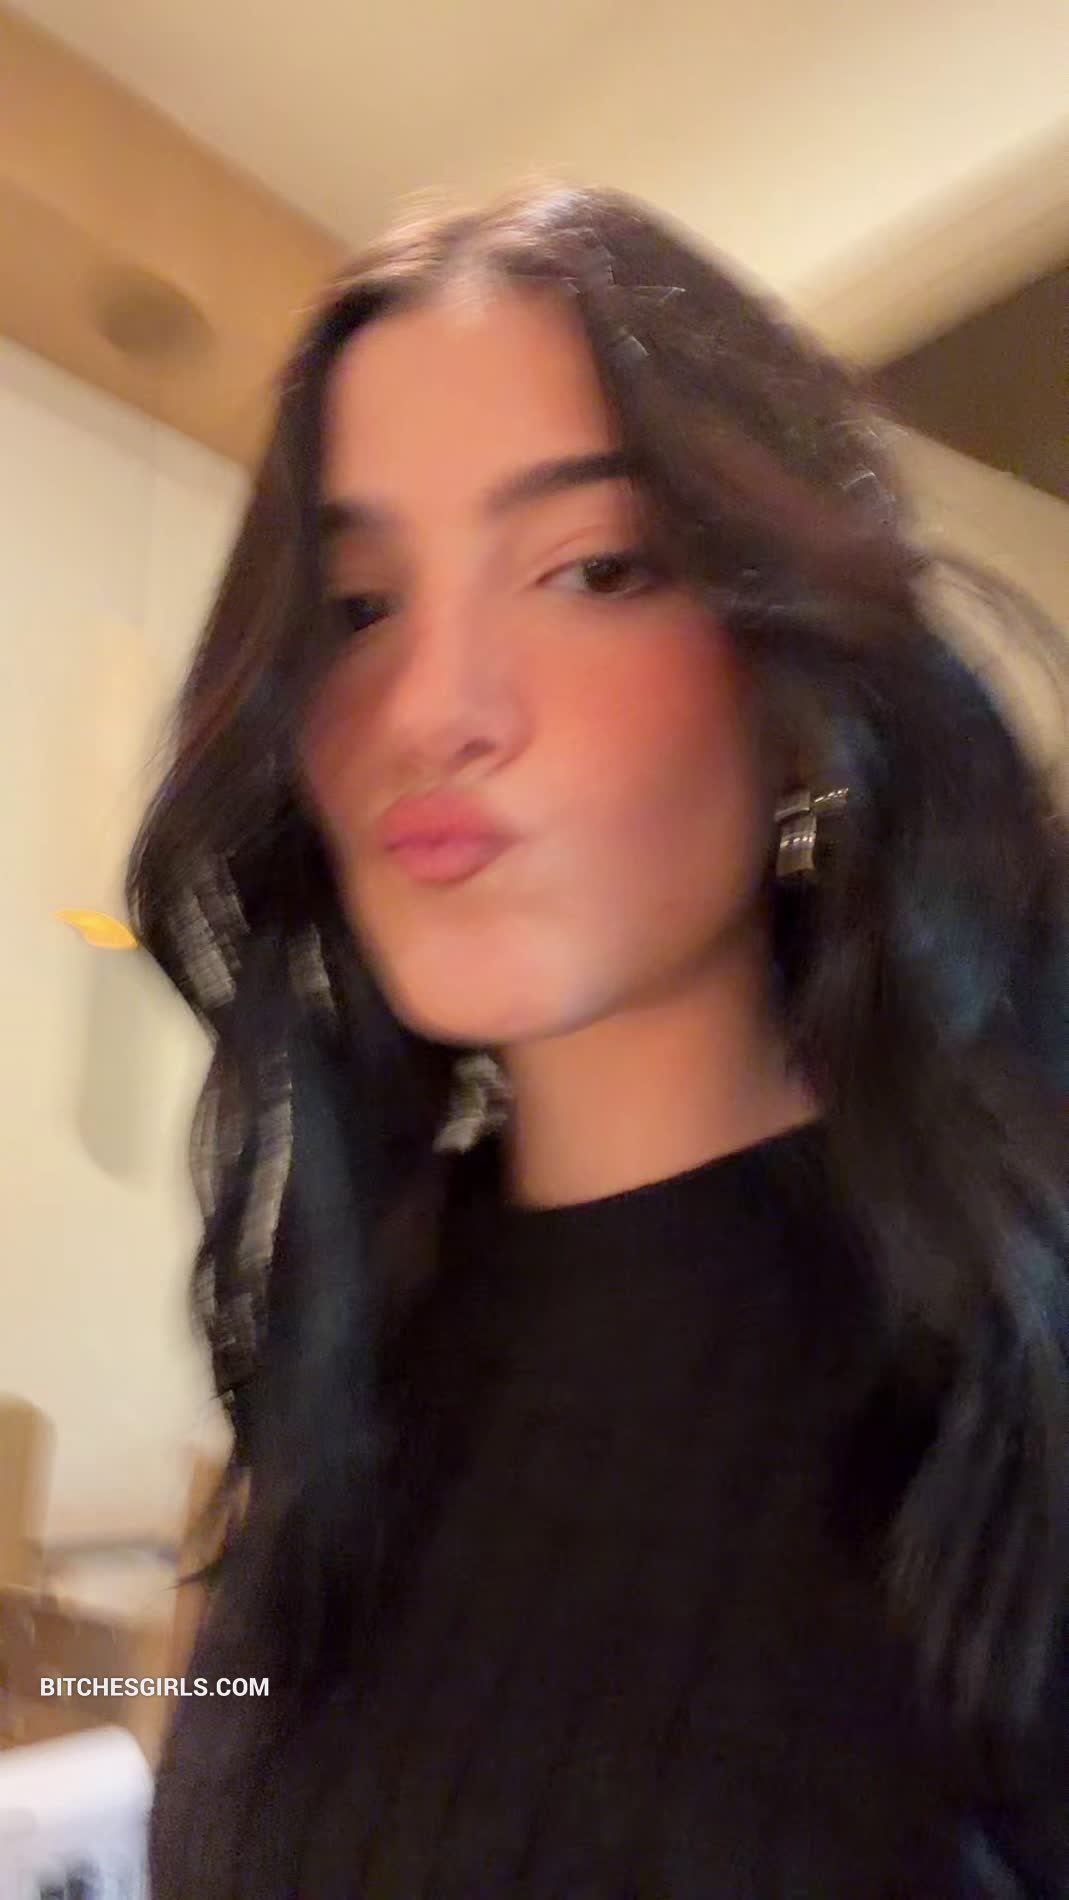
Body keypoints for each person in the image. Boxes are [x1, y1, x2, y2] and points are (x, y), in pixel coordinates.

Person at [131, 182, 1069, 1896]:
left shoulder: (1015, 1344)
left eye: (592, 569)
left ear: (786, 670)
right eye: (358, 606)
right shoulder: (358, 1323)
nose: (430, 709)